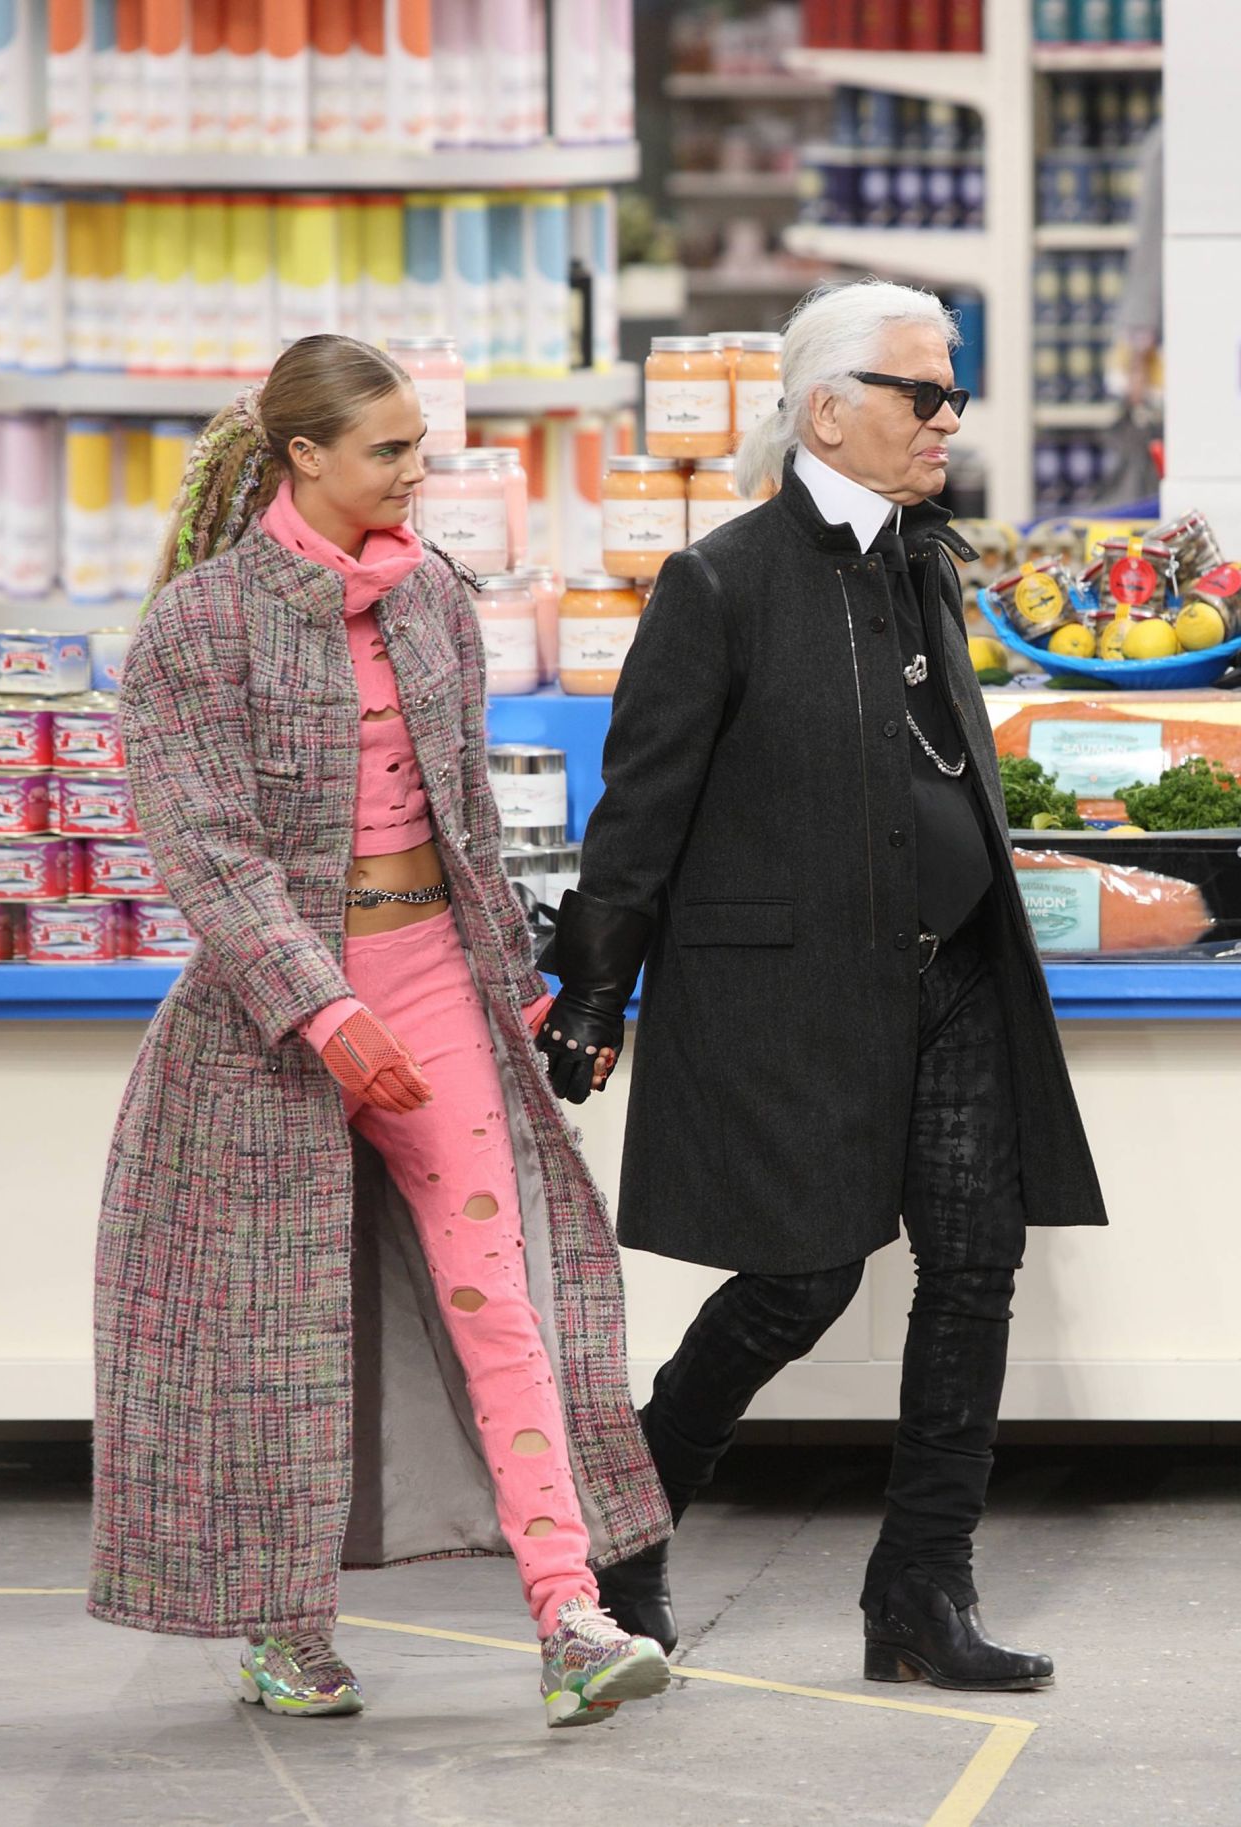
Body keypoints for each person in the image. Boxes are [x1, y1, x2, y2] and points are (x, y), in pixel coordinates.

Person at [88, 334, 671, 1731]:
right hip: (265, 1029)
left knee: (504, 1303)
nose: (421, 474)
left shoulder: (435, 603)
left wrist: (518, 981)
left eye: (421, 447)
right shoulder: (200, 622)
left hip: (434, 995)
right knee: (276, 1330)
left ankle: (571, 1619)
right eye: (391, 452)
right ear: (304, 457)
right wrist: (323, 1009)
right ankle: (286, 1636)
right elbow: (207, 852)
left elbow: (466, 822)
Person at [536, 281, 1108, 1693]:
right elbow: (641, 811)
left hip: (958, 976)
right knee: (799, 1280)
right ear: (828, 409)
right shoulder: (719, 580)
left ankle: (921, 1591)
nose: (949, 419)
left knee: (975, 1268)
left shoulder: (929, 560)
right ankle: (625, 1531)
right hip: (793, 987)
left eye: (954, 391)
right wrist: (595, 993)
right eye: (925, 394)